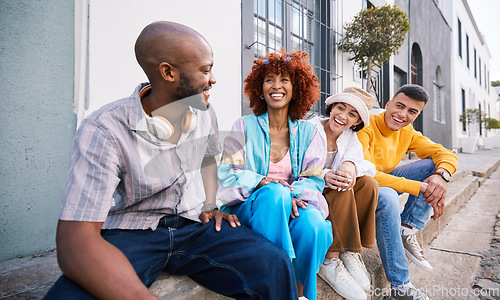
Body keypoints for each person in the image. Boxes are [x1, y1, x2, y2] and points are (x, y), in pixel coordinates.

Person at [44, 21, 298, 300]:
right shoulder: (105, 129)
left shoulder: (205, 112)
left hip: (195, 226)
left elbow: (208, 160)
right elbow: (75, 243)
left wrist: (211, 203)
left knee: (273, 264)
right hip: (133, 232)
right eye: (205, 70)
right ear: (168, 72)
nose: (212, 79)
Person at [217, 50, 333, 300]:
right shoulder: (243, 125)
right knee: (275, 194)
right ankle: (276, 289)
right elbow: (227, 173)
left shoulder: (309, 132)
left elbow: (314, 179)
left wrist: (290, 193)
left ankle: (300, 295)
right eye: (269, 79)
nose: (276, 86)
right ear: (260, 88)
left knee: (314, 225)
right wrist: (262, 181)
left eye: (285, 80)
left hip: (291, 206)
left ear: (296, 88)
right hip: (250, 209)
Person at [357, 84, 459, 299]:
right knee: (389, 197)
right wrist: (419, 187)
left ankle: (407, 227)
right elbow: (366, 173)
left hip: (383, 179)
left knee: (433, 166)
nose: (403, 115)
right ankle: (401, 285)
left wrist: (441, 178)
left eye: (412, 111)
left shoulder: (407, 132)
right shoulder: (366, 126)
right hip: (359, 186)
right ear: (388, 104)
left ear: (417, 114)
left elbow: (445, 154)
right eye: (399, 106)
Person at [308, 87, 378, 300]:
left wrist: (350, 166)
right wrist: (325, 174)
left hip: (335, 191)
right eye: (340, 108)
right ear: (331, 107)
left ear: (357, 122)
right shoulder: (309, 128)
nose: (342, 116)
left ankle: (351, 251)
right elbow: (295, 164)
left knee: (368, 184)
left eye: (352, 114)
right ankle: (330, 260)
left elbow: (367, 166)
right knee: (342, 186)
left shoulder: (349, 137)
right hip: (310, 191)